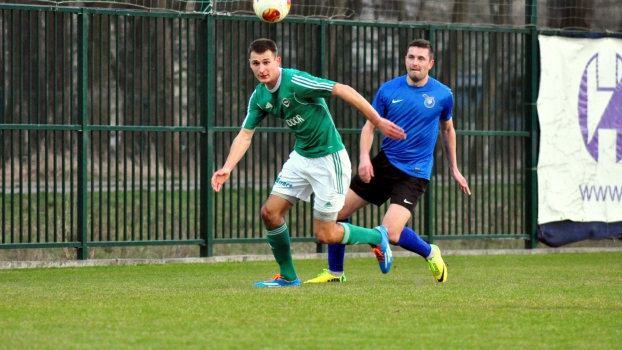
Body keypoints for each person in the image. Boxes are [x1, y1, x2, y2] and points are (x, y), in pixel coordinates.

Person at [211, 38, 407, 287]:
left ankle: (376, 236)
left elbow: (342, 89)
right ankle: (288, 276)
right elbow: (245, 134)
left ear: (277, 62)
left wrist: (377, 121)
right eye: (256, 63)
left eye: (267, 62)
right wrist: (227, 166)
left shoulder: (295, 81)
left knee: (325, 234)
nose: (262, 69)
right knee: (269, 214)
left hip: (329, 159)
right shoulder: (260, 96)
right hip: (301, 158)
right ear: (250, 65)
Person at [304, 39, 471, 284]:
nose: (415, 62)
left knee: (392, 233)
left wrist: (454, 169)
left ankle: (429, 251)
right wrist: (364, 158)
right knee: (337, 212)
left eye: (421, 58)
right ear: (405, 59)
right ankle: (335, 272)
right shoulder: (388, 90)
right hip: (384, 164)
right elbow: (369, 126)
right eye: (411, 57)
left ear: (430, 63)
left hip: (414, 173)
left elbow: (448, 130)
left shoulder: (443, 95)